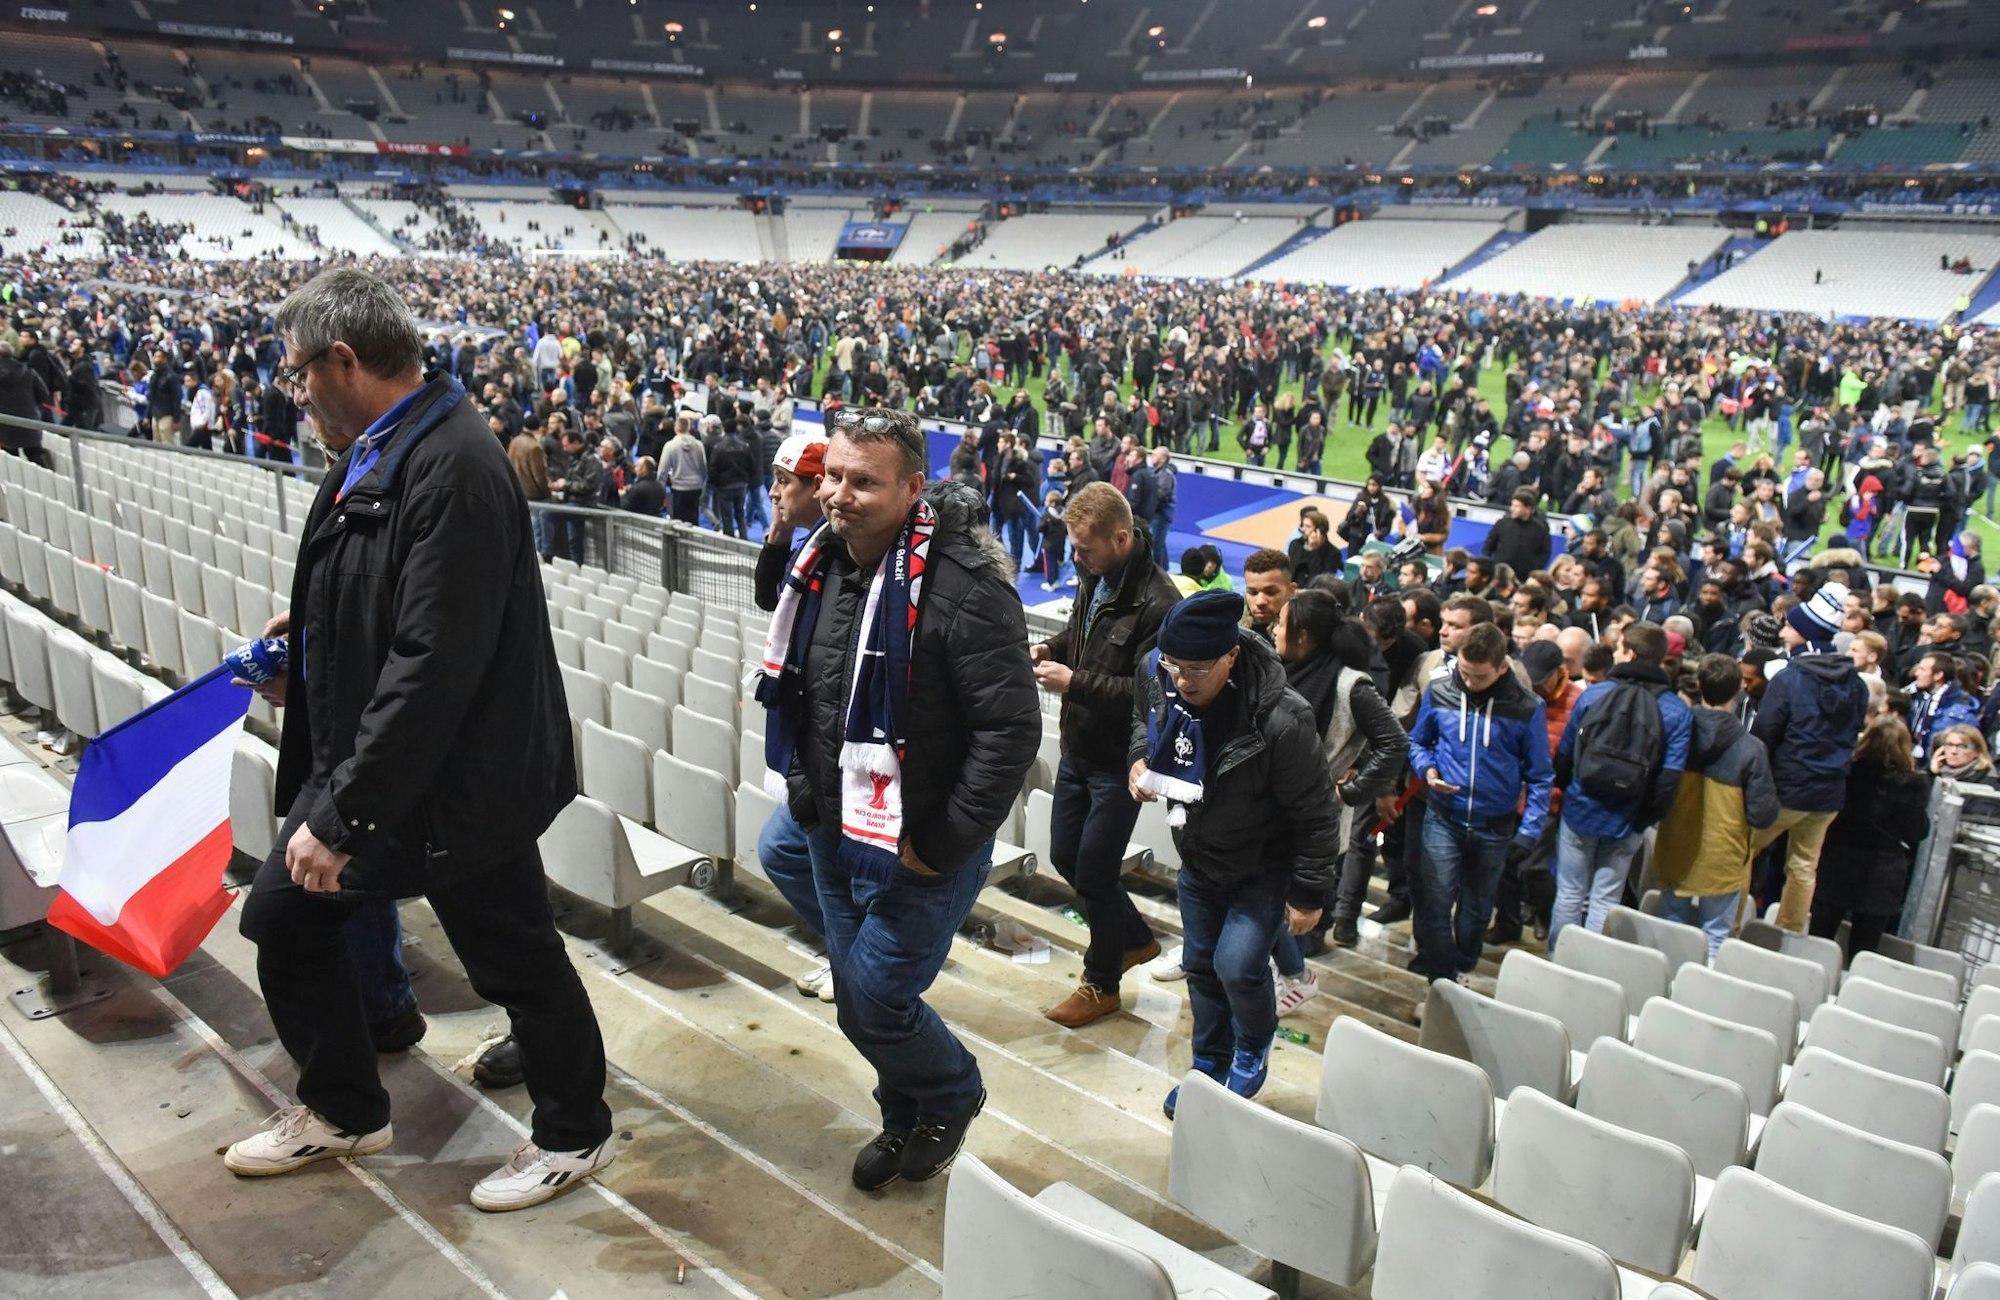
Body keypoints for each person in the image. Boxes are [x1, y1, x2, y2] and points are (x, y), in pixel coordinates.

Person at [228, 267, 615, 1211]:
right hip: (389, 764)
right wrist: (306, 656)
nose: (296, 393)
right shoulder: (384, 445)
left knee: (514, 954)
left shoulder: (455, 464)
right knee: (284, 921)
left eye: (297, 374)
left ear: (345, 360)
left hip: (451, 781)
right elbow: (382, 606)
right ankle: (345, 1107)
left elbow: (433, 662)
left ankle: (576, 1133)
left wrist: (347, 812)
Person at [762, 406, 1038, 1190]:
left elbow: (1010, 732)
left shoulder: (967, 587)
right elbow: (805, 695)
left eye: (865, 482)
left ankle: (952, 1092)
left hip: (921, 843)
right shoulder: (822, 558)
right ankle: (902, 1115)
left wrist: (944, 843)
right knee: (858, 995)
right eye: (836, 477)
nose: (841, 495)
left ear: (914, 488)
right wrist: (804, 792)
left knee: (875, 998)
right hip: (835, 823)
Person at [1129, 591, 1338, 1118]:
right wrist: (1139, 761)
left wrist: (1309, 894)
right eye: (1175, 667)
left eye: (1197, 669)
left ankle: (1251, 1047)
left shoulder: (1283, 721)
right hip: (1198, 854)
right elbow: (1143, 720)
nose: (1182, 680)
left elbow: (1316, 813)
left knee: (1237, 966)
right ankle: (1208, 1060)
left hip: (1262, 865)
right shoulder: (1157, 670)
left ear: (1231, 657)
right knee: (1200, 965)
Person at [1031, 483, 1180, 1028]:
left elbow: (1150, 695)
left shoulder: (1162, 605)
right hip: (1079, 747)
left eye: (1085, 550)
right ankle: (1136, 937)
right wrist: (1056, 647)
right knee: (1067, 857)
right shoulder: (1098, 573)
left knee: (1093, 870)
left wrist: (1074, 681)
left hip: (1122, 761)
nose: (1076, 559)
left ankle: (1102, 984)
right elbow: (1084, 629)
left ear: (1121, 538)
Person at [1405, 622, 1554, 980]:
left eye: (1479, 676)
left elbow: (1541, 776)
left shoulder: (1527, 707)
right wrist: (1427, 771)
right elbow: (1418, 742)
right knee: (1435, 903)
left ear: (1502, 668)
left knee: (1475, 909)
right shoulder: (1440, 691)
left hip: (1495, 825)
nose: (1468, 682)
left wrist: (1529, 832)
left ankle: (1464, 968)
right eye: (1464, 672)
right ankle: (1441, 980)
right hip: (1443, 816)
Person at [1547, 622, 1692, 953]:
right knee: (1605, 896)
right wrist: (1643, 819)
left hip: (1582, 807)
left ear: (1630, 652)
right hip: (1629, 816)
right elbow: (1669, 778)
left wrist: (1569, 792)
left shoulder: (1595, 694)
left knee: (1569, 892)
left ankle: (1559, 960)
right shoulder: (1676, 711)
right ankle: (1589, 964)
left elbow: (1565, 755)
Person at [1281, 590, 1410, 953]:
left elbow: (1395, 744)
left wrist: (1348, 792)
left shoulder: (1350, 684)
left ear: (1302, 635)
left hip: (1313, 817)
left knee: (1295, 911)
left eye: (1281, 623)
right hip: (1270, 807)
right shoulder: (1279, 669)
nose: (1274, 629)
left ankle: (1295, 971)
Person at [1750, 582, 1870, 932]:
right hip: (1829, 793)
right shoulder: (1857, 685)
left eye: (1789, 625)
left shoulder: (1790, 679)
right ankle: (1789, 933)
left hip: (1786, 789)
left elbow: (1764, 734)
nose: (1784, 630)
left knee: (1741, 851)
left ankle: (1726, 925)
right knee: (1803, 867)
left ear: (1804, 632)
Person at [1653, 654, 1779, 958]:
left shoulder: (1677, 734)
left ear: (1699, 685)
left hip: (1675, 845)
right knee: (1715, 939)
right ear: (1739, 690)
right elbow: (1763, 815)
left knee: (1670, 931)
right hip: (1724, 854)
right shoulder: (1752, 749)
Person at [1809, 717, 1935, 958]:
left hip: (1837, 865)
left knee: (1819, 942)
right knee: (1864, 952)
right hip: (1882, 874)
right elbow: (1918, 831)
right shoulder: (1911, 785)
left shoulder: (1845, 773)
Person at [1242, 548, 1296, 643]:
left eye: (1271, 592)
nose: (1260, 601)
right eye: (1253, 592)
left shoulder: (1304, 637)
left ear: (1291, 591)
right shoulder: (1231, 632)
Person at [661, 414, 707, 524]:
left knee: (678, 521)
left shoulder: (670, 445)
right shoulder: (699, 445)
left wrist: (661, 488)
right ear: (689, 428)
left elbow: (663, 470)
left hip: (678, 488)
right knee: (694, 519)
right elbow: (703, 467)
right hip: (696, 487)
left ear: (676, 428)